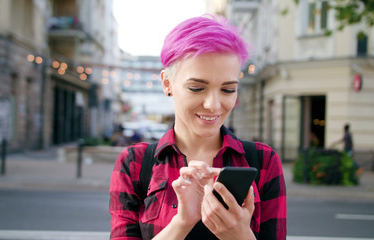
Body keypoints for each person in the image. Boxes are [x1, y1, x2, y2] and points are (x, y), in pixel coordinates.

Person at [109, 15, 287, 240]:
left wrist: (240, 235)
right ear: (167, 84)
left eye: (228, 90)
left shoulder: (263, 160)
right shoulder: (135, 162)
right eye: (196, 88)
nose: (213, 105)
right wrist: (182, 223)